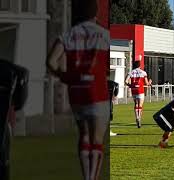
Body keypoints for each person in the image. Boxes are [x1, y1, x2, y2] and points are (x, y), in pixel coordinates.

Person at [46, 1, 109, 180]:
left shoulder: (68, 35)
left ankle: (85, 175)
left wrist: (64, 76)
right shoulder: (103, 34)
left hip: (76, 91)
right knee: (97, 139)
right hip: (97, 91)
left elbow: (51, 61)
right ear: (95, 13)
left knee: (84, 135)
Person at [125, 60, 152, 128]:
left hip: (133, 90)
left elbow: (126, 81)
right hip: (140, 90)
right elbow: (146, 83)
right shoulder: (143, 72)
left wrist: (130, 85)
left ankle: (136, 117)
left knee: (136, 104)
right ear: (139, 65)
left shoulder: (131, 72)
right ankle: (139, 118)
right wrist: (150, 82)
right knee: (140, 105)